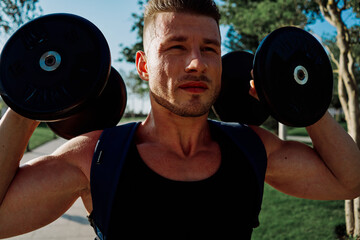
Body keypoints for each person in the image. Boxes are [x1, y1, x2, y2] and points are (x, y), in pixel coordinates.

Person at [1, 0, 360, 239]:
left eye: (210, 49)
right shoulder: (96, 157)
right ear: (143, 65)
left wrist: (300, 101)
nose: (197, 63)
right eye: (176, 47)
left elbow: (349, 181)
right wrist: (29, 100)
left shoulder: (251, 147)